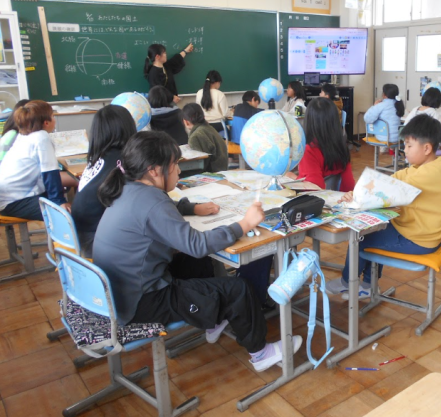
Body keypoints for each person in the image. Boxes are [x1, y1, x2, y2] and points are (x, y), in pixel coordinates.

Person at [93, 131, 301, 372]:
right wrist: (244, 224)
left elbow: (165, 215)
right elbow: (197, 244)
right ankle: (261, 353)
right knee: (238, 290)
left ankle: (213, 321)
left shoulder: (128, 188)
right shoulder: (152, 201)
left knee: (197, 262)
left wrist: (192, 208)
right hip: (141, 302)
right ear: (154, 170)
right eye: (174, 164)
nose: (178, 171)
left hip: (121, 291)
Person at [325, 114, 441, 298]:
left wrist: (359, 194)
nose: (404, 150)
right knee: (375, 229)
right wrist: (357, 192)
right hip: (424, 232)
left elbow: (386, 190)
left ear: (426, 148)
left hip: (420, 239)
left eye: (409, 145)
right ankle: (368, 284)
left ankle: (348, 283)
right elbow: (394, 180)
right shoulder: (431, 165)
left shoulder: (425, 175)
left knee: (360, 238)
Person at [71, 105, 137, 256]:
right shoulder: (122, 161)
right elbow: (143, 200)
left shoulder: (98, 157)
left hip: (80, 234)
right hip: (96, 242)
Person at [0, 100, 70, 220]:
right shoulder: (41, 137)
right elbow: (50, 174)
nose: (54, 119)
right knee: (66, 214)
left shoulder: (23, 136)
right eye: (53, 116)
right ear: (46, 122)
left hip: (9, 196)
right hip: (14, 201)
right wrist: (59, 202)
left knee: (66, 207)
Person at [287, 97, 355, 191]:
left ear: (309, 120)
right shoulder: (341, 147)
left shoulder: (308, 150)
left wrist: (294, 178)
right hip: (337, 197)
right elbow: (349, 185)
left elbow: (314, 186)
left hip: (316, 198)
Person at [182, 103, 228, 173]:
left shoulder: (195, 136)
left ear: (186, 122)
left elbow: (200, 165)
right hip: (222, 169)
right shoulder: (208, 128)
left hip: (213, 173)